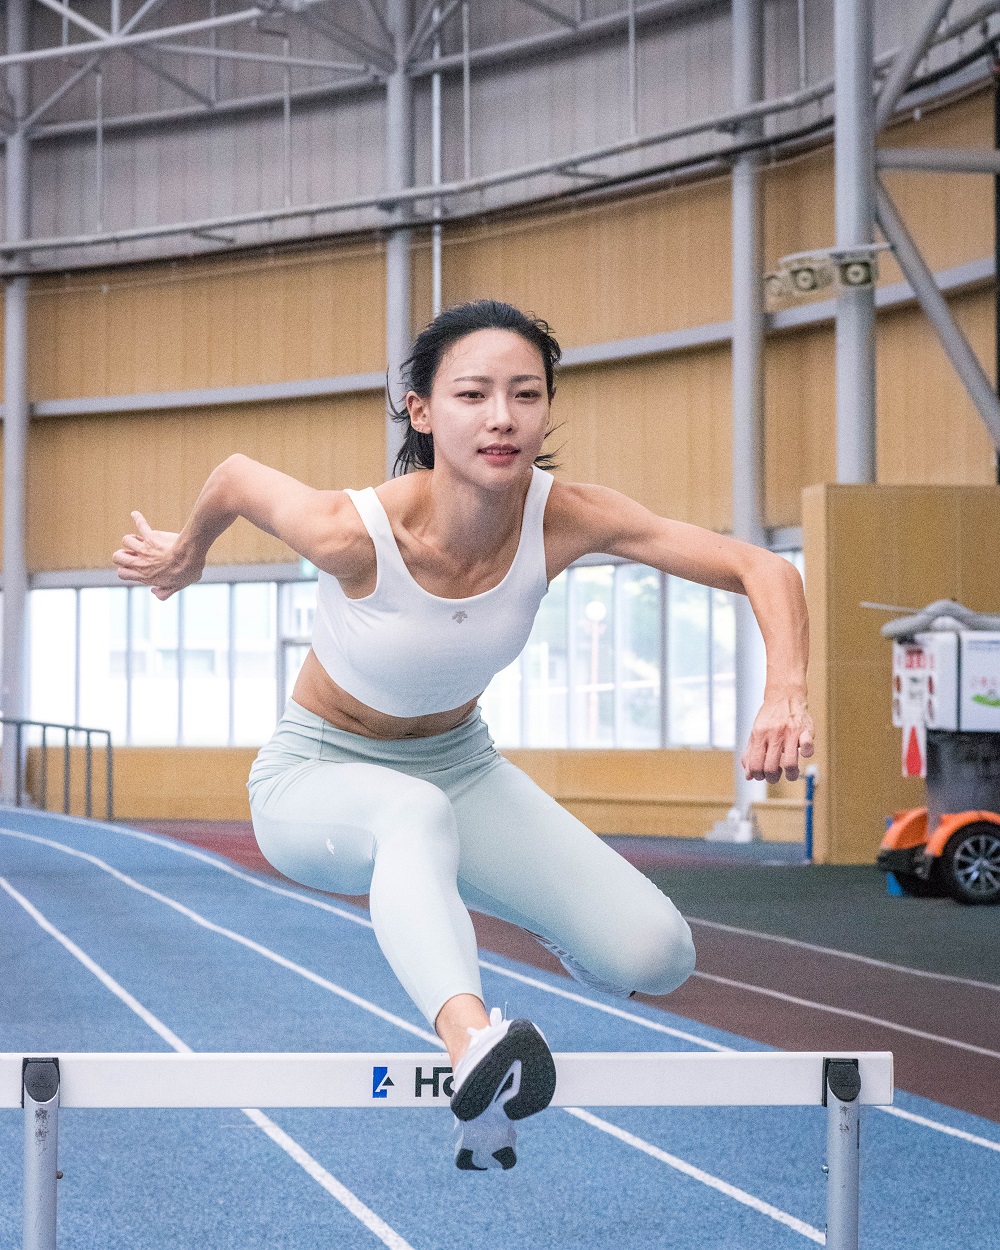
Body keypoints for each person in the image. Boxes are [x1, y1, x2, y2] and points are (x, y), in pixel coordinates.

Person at [113, 299, 814, 1172]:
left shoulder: (568, 517)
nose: (501, 418)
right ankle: (472, 1045)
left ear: (548, 410)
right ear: (422, 411)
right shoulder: (355, 530)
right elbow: (234, 474)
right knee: (410, 817)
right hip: (317, 779)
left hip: (462, 769)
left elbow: (764, 566)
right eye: (474, 395)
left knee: (655, 955)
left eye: (525, 395)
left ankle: (501, 921)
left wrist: (785, 690)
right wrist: (186, 552)